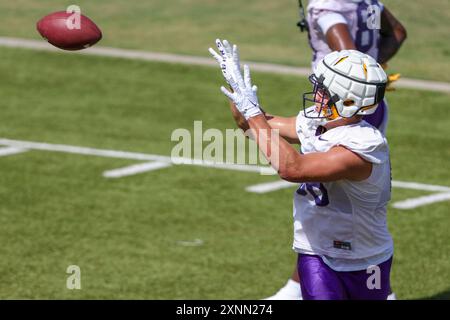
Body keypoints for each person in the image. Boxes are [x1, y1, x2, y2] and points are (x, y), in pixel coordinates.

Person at [210, 40, 394, 300]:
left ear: (348, 100)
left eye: (323, 89)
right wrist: (235, 87)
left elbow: (291, 168)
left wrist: (252, 112)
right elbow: (253, 126)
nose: (315, 92)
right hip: (316, 253)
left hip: (366, 259)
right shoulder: (315, 121)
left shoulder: (363, 146)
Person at [266, 0, 406, 300]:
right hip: (364, 103)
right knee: (347, 198)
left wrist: (352, 83)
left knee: (332, 195)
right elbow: (397, 33)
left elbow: (348, 56)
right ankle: (302, 286)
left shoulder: (327, 5)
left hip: (341, 105)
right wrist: (372, 81)